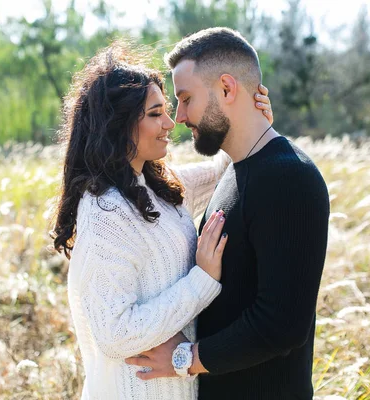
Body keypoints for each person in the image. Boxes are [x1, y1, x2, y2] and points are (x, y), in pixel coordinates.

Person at [51, 42, 274, 400]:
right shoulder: (105, 213)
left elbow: (223, 170)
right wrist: (201, 282)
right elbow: (115, 334)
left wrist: (253, 120)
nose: (171, 123)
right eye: (155, 114)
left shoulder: (153, 187)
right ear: (119, 125)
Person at [124, 27, 330, 400]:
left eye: (186, 99)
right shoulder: (236, 170)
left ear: (227, 89)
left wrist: (185, 359)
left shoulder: (289, 178)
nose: (180, 117)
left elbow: (281, 324)